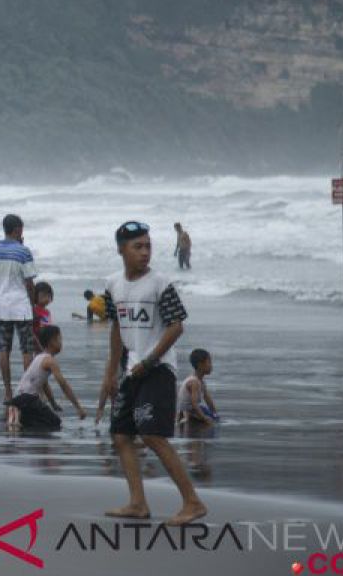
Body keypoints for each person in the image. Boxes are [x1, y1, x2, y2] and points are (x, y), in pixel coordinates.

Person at [101, 221, 206, 526]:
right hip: (131, 369)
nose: (145, 252)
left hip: (158, 369)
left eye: (148, 246)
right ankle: (137, 503)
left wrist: (148, 361)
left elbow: (176, 326)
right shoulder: (112, 285)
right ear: (121, 249)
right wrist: (110, 373)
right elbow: (117, 328)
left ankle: (193, 502)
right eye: (138, 246)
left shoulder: (160, 283)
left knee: (151, 435)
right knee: (121, 435)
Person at [0, 214, 39, 403]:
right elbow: (29, 282)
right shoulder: (23, 251)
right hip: (20, 306)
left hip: (0, 306)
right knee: (26, 349)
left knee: (4, 350)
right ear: (17, 230)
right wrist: (33, 303)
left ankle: (8, 392)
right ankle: (26, 392)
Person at [6, 325, 86, 431]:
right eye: (59, 339)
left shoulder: (39, 357)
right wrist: (78, 408)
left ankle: (19, 416)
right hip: (28, 399)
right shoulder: (50, 361)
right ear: (52, 342)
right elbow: (63, 385)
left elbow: (44, 384)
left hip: (18, 398)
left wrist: (53, 404)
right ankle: (21, 420)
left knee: (42, 418)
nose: (61, 343)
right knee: (55, 422)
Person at [177, 348, 219, 427]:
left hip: (192, 409)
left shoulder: (201, 381)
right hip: (189, 411)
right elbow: (194, 404)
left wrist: (215, 413)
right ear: (200, 365)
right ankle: (189, 419)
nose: (211, 366)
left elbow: (208, 399)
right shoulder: (194, 382)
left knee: (214, 418)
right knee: (210, 422)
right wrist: (205, 418)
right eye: (209, 362)